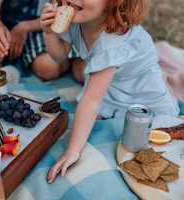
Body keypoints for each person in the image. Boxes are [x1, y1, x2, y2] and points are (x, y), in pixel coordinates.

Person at [40, 0, 180, 183]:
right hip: (113, 81)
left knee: (143, 128)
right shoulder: (75, 20)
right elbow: (59, 56)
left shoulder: (112, 40)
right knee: (95, 100)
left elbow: (91, 101)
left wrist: (73, 150)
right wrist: (49, 32)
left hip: (140, 88)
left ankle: (165, 82)